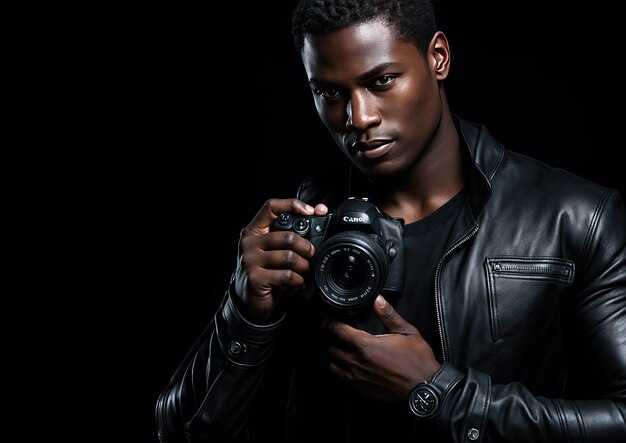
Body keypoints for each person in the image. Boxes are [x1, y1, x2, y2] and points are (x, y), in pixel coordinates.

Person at [155, 1, 626, 441]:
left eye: (381, 81)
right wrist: (244, 314)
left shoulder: (575, 217)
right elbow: (180, 431)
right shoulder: (303, 224)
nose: (358, 118)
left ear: (438, 57)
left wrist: (437, 393)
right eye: (330, 92)